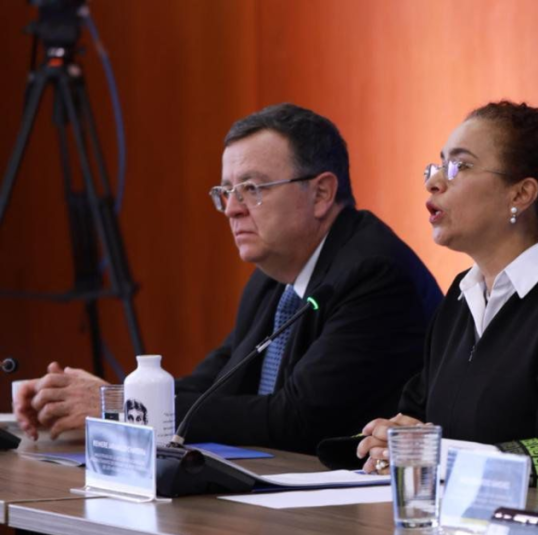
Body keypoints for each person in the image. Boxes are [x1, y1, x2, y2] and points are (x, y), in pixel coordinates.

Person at [14, 103, 443, 454]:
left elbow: (298, 419)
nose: (233, 209)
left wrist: (125, 407)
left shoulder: (375, 274)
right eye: (225, 192)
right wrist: (99, 399)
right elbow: (212, 385)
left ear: (321, 193)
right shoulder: (271, 279)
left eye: (252, 189)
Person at [351, 101, 538, 484]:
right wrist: (393, 442)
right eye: (439, 165)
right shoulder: (461, 297)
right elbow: (418, 419)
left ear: (521, 194)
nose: (435, 182)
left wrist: (443, 457)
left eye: (460, 166)